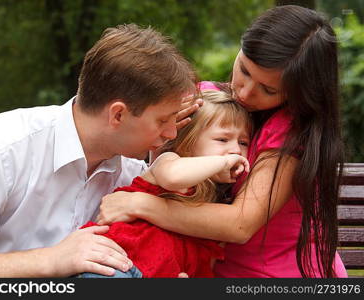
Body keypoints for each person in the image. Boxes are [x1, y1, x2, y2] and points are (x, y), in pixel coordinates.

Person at [97, 5, 348, 278]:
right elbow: (162, 159)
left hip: (277, 275)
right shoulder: (212, 101)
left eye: (268, 89)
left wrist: (141, 205)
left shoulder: (290, 131)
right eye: (245, 70)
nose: (245, 91)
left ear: (299, 94)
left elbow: (239, 225)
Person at [0, 24, 201, 277]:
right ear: (118, 114)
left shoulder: (134, 174)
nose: (171, 134)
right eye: (162, 121)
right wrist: (51, 259)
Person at [77, 84, 252, 278]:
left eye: (243, 143)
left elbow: (204, 258)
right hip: (115, 263)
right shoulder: (169, 162)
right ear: (188, 141)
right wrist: (223, 162)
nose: (236, 150)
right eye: (222, 140)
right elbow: (173, 178)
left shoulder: (215, 205)